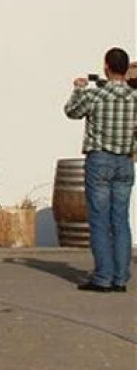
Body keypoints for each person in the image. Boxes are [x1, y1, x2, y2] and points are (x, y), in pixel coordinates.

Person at [63, 46, 136, 294]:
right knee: (121, 220)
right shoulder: (135, 97)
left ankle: (103, 277)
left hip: (100, 159)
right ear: (126, 69)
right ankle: (120, 278)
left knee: (100, 220)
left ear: (106, 67)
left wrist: (78, 88)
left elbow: (72, 112)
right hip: (125, 161)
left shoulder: (96, 95)